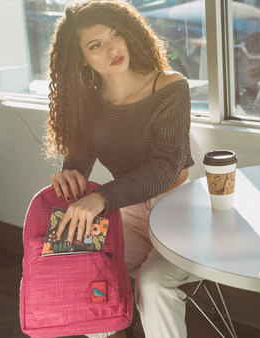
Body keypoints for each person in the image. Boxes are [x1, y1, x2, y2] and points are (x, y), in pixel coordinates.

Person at [44, 1, 199, 337]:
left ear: (129, 34)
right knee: (90, 274)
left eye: (115, 35)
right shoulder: (88, 104)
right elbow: (79, 164)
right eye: (95, 45)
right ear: (82, 58)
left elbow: (167, 168)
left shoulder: (170, 87)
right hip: (127, 211)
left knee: (153, 284)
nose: (112, 48)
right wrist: (68, 176)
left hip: (181, 213)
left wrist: (100, 197)